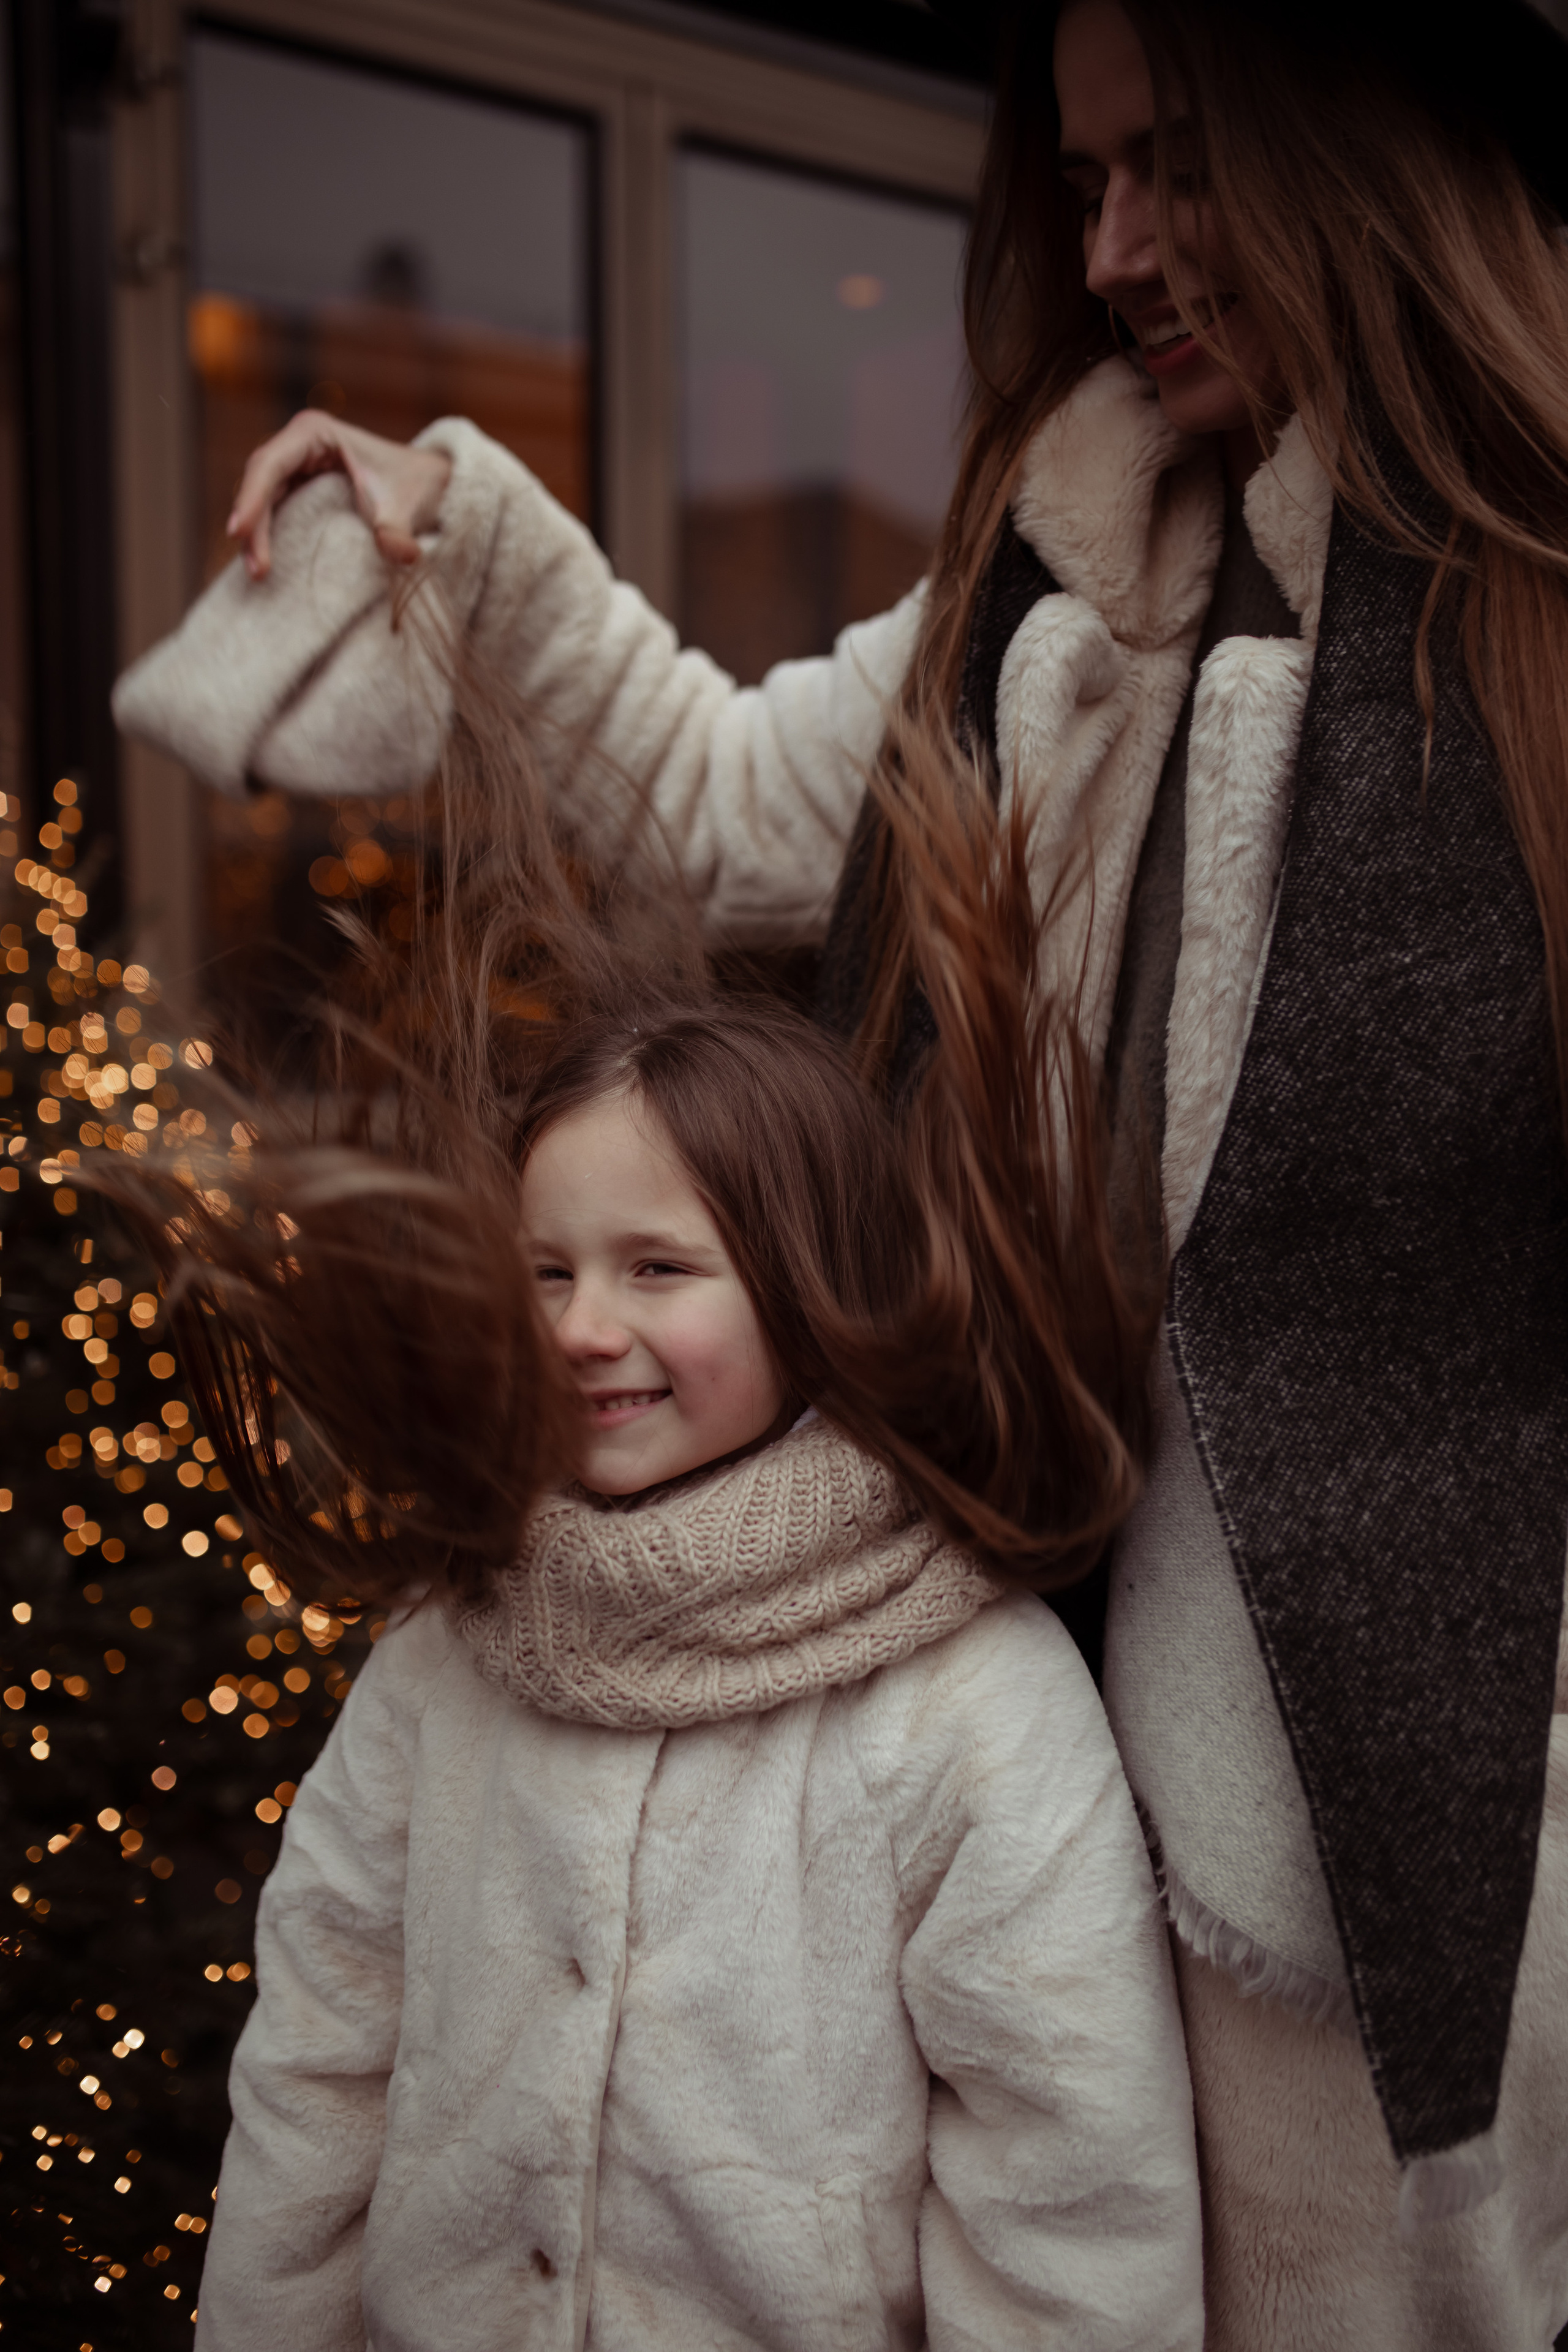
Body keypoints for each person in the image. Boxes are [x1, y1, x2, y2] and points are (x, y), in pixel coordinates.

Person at [115, 0, 1568, 2341]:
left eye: (1173, 164)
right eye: (1083, 180)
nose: (1113, 247)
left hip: (1413, 1824)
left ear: (1362, 153)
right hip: (1008, 1667)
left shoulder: (1533, 630)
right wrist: (455, 540)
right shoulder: (1047, 590)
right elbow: (708, 801)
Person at [120, 907, 1204, 2349]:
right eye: (548, 1268)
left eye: (656, 1268)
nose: (580, 1326)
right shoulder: (446, 1656)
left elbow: (1066, 2171)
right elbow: (321, 2057)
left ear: (809, 1286)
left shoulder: (959, 1692)